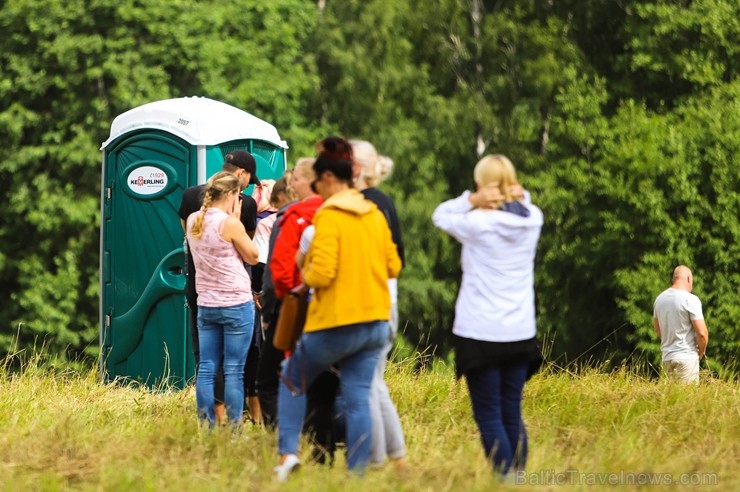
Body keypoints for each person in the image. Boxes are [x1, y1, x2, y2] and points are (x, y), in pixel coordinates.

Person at [274, 137, 402, 481]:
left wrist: (308, 264)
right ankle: (357, 475)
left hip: (337, 321)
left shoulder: (329, 215)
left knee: (291, 377)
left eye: (316, 183)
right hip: (375, 322)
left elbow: (321, 274)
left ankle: (287, 455)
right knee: (359, 396)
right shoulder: (373, 213)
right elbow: (393, 266)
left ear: (329, 178)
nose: (315, 189)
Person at [432, 154, 543, 478]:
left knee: (489, 414)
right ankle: (518, 477)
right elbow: (527, 204)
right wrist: (515, 194)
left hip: (480, 332)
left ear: (481, 184)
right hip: (520, 331)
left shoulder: (477, 223)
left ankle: (505, 479)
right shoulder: (532, 218)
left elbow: (441, 215)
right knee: (512, 410)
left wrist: (471, 200)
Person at [179, 150, 260, 424]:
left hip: (207, 304)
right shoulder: (231, 224)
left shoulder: (193, 221)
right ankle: (234, 430)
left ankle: (207, 426)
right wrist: (235, 217)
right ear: (229, 196)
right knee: (234, 369)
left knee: (206, 368)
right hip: (236, 304)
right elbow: (253, 256)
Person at [269, 158, 341, 464]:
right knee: (341, 382)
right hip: (352, 313)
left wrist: (288, 301)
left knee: (295, 379)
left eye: (296, 178)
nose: (291, 183)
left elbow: (282, 270)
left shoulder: (298, 217)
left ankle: (291, 450)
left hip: (306, 308)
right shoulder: (350, 215)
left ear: (312, 182)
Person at [350, 139, 407, 468]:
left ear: (355, 168)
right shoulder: (384, 201)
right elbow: (398, 257)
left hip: (369, 301)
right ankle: (392, 457)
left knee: (365, 381)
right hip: (387, 298)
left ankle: (376, 458)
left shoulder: (362, 204)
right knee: (373, 381)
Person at [653, 265, 709, 384]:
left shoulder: (659, 300)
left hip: (667, 358)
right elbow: (702, 333)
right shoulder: (690, 299)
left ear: (674, 279)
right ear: (689, 279)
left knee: (670, 400)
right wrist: (701, 352)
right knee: (688, 400)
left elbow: (658, 330)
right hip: (686, 358)